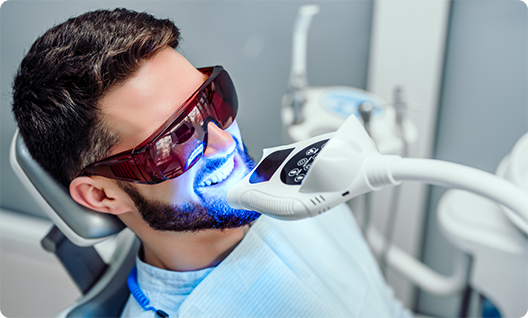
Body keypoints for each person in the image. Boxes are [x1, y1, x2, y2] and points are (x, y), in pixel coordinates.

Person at [12, 8, 413, 318]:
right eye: (174, 139)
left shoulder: (300, 182)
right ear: (101, 195)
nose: (224, 142)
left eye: (212, 100)